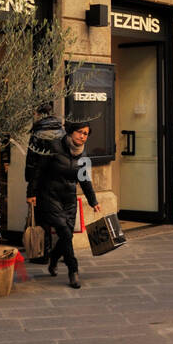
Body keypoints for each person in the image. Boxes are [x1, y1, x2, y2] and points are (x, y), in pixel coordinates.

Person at [27, 119, 102, 289]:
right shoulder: (54, 146)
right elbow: (38, 171)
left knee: (68, 234)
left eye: (86, 134)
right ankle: (73, 271)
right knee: (64, 231)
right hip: (50, 196)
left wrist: (93, 201)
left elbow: (85, 180)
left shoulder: (84, 155)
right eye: (80, 132)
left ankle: (54, 259)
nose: (82, 137)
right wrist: (31, 193)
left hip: (69, 199)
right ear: (71, 131)